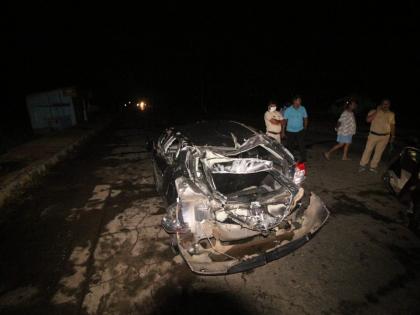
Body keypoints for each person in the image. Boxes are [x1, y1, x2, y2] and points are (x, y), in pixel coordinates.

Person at [359, 99, 396, 172]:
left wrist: (393, 136)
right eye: (384, 103)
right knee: (368, 150)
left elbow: (392, 125)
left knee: (379, 152)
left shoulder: (391, 114)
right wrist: (377, 111)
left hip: (385, 136)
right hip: (373, 135)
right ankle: (362, 165)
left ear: (389, 105)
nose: (385, 105)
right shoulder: (373, 111)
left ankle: (373, 166)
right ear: (381, 104)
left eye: (387, 104)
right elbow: (368, 120)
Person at [284, 95, 308, 162]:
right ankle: (291, 158)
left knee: (301, 145)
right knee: (290, 145)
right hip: (290, 131)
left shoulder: (302, 108)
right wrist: (282, 131)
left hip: (300, 130)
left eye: (300, 101)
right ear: (294, 101)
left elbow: (305, 118)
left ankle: (304, 158)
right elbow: (285, 120)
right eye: (298, 100)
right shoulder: (288, 110)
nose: (300, 102)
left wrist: (305, 128)